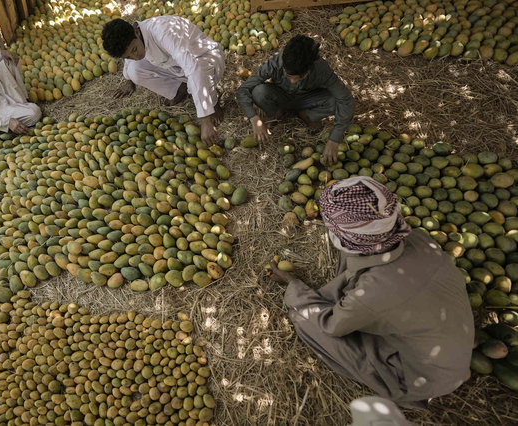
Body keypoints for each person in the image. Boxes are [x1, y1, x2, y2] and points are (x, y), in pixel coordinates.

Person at [270, 176, 474, 409]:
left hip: (426, 376)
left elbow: (332, 326)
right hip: (449, 345)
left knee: (304, 317)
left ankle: (423, 387)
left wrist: (293, 283)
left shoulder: (372, 294)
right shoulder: (419, 238)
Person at [101, 17, 224, 145]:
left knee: (197, 73)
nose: (135, 57)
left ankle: (213, 103)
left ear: (136, 31)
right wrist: (129, 81)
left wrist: (205, 119)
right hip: (175, 66)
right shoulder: (132, 42)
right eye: (128, 56)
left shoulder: (164, 31)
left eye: (134, 50)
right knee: (134, 70)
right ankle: (179, 89)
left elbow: (193, 67)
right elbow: (129, 59)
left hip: (203, 58)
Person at [237, 35, 354, 165]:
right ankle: (276, 112)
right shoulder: (275, 62)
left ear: (309, 69)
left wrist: (334, 140)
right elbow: (243, 89)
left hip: (307, 99)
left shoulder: (321, 68)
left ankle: (306, 114)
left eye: (299, 77)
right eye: (288, 76)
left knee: (336, 102)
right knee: (259, 91)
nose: (293, 81)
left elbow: (346, 100)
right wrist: (254, 119)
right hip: (281, 96)